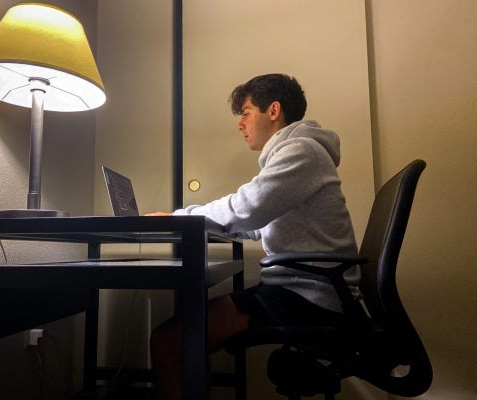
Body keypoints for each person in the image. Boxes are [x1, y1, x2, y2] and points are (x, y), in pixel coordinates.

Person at [147, 73, 360, 400]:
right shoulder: (298, 153)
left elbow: (247, 207)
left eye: (246, 112)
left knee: (167, 342)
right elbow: (258, 222)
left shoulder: (301, 151)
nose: (240, 124)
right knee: (182, 340)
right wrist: (209, 224)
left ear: (273, 110)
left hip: (306, 298)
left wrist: (179, 219)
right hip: (305, 291)